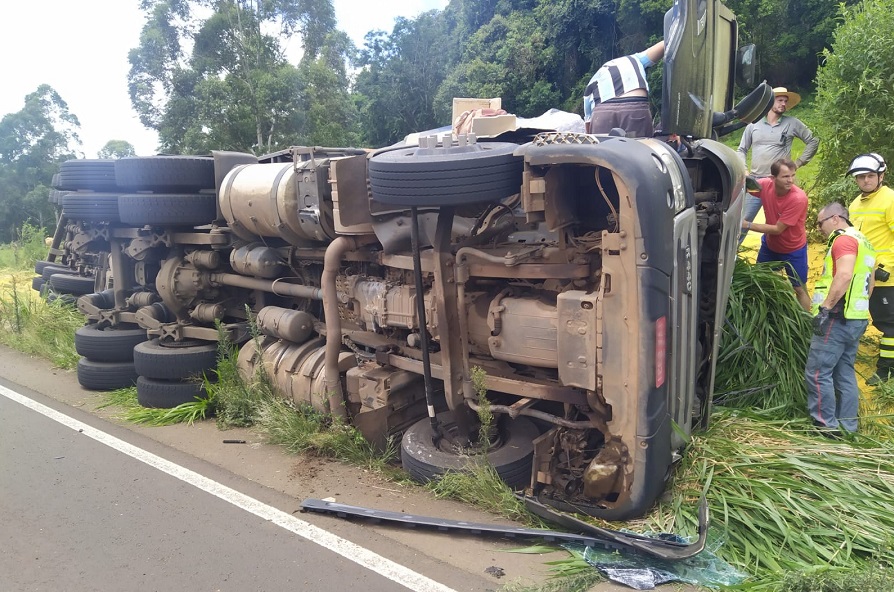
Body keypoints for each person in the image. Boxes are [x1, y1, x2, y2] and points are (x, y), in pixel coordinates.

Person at [805, 202, 876, 435]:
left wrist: (826, 308)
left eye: (820, 223)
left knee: (817, 372)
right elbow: (870, 283)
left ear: (835, 219)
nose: (819, 228)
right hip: (856, 318)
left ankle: (826, 427)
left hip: (836, 318)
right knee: (844, 371)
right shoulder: (863, 240)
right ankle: (848, 427)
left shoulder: (843, 239)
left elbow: (844, 275)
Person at [737, 87, 819, 243]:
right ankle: (732, 258)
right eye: (780, 100)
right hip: (755, 182)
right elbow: (741, 149)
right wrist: (745, 170)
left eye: (785, 101)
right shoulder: (753, 125)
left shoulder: (792, 123)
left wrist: (799, 163)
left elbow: (813, 141)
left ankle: (778, 256)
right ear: (769, 103)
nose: (784, 104)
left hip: (779, 184)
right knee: (743, 222)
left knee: (780, 224)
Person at [846, 153, 894, 384]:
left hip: (886, 275)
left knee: (889, 324)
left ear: (881, 175)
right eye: (860, 177)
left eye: (870, 176)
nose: (865, 181)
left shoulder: (890, 199)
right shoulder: (855, 204)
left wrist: (885, 267)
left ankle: (885, 371)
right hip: (864, 274)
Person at [740, 158, 811, 311]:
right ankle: (766, 311)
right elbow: (742, 187)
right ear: (773, 178)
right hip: (770, 246)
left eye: (793, 175)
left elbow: (778, 229)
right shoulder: (765, 185)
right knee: (759, 280)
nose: (791, 180)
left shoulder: (798, 198)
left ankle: (806, 324)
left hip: (793, 249)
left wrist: (746, 224)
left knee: (799, 289)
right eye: (785, 176)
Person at [583, 40, 665, 137]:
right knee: (638, 148)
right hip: (634, 106)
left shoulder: (593, 81)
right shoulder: (635, 59)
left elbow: (588, 125)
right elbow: (664, 44)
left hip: (602, 112)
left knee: (604, 149)